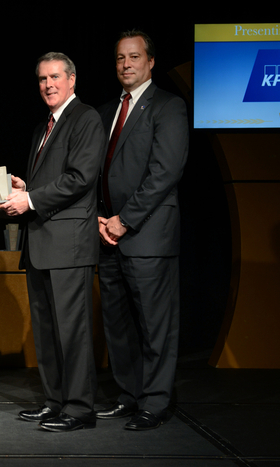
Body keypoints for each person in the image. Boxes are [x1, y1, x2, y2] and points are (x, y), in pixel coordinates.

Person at [2, 52, 106, 432]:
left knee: (72, 331)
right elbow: (54, 181)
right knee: (47, 332)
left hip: (69, 245)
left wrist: (29, 200)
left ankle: (79, 409)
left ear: (72, 79)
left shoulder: (86, 118)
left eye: (55, 77)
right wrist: (26, 188)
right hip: (43, 243)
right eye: (42, 79)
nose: (48, 84)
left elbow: (80, 178)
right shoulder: (43, 125)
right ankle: (54, 401)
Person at [95, 30, 188, 430]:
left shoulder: (168, 106)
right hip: (107, 236)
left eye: (134, 57)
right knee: (118, 324)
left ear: (150, 62)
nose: (126, 64)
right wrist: (100, 217)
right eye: (120, 58)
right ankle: (129, 395)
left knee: (155, 325)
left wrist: (125, 219)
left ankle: (155, 401)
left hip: (146, 234)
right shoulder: (105, 111)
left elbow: (165, 171)